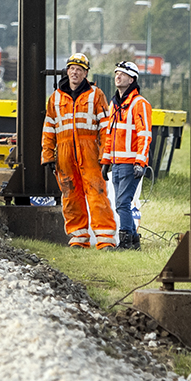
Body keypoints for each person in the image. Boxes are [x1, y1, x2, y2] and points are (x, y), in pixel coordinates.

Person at [42, 52, 114, 249]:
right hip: (64, 155)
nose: (75, 73)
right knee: (70, 196)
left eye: (79, 70)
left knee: (97, 193)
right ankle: (78, 238)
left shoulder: (95, 95)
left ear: (86, 73)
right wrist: (47, 155)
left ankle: (105, 239)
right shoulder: (55, 98)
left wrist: (105, 155)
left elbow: (105, 127)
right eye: (72, 69)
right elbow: (49, 128)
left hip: (90, 152)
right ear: (67, 71)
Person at [102, 60, 153, 249]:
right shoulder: (115, 104)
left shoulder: (139, 104)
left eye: (122, 73)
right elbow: (110, 135)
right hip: (116, 163)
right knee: (120, 203)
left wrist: (140, 162)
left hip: (131, 164)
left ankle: (125, 243)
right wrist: (105, 161)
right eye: (116, 72)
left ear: (132, 79)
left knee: (123, 203)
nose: (118, 76)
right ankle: (133, 242)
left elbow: (145, 135)